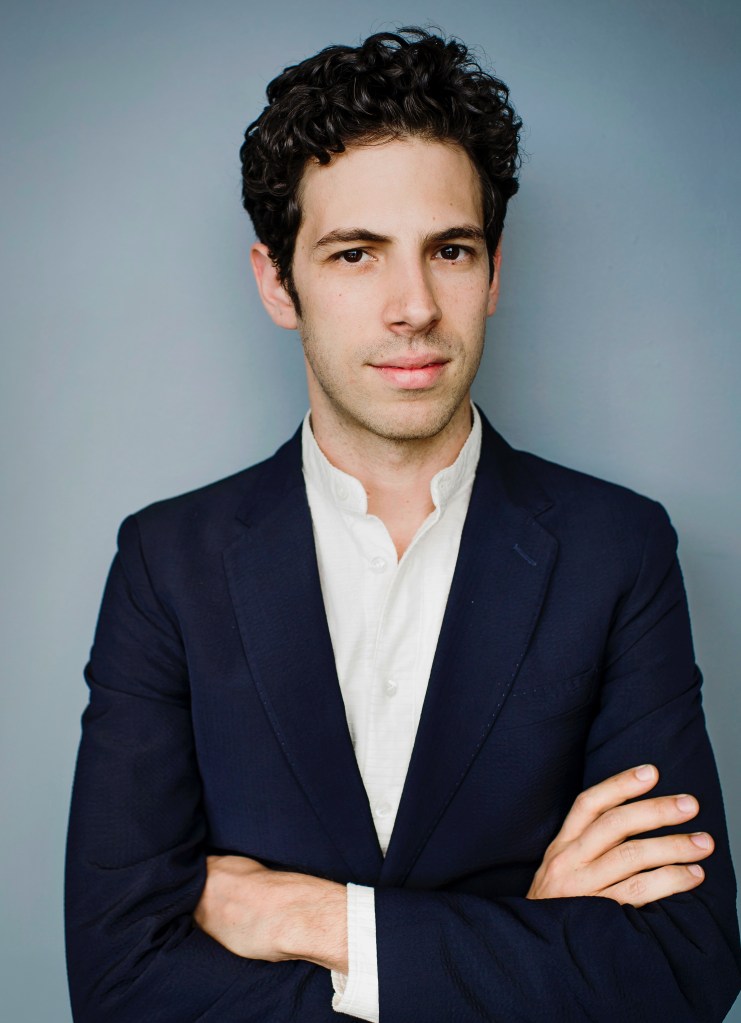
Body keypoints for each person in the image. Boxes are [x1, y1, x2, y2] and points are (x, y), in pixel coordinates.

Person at [64, 28, 740, 1023]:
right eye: (356, 254)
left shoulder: (618, 550)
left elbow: (684, 964)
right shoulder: (168, 563)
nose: (414, 307)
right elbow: (119, 988)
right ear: (277, 282)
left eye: (449, 251)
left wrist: (320, 920)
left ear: (494, 273)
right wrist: (520, 938)